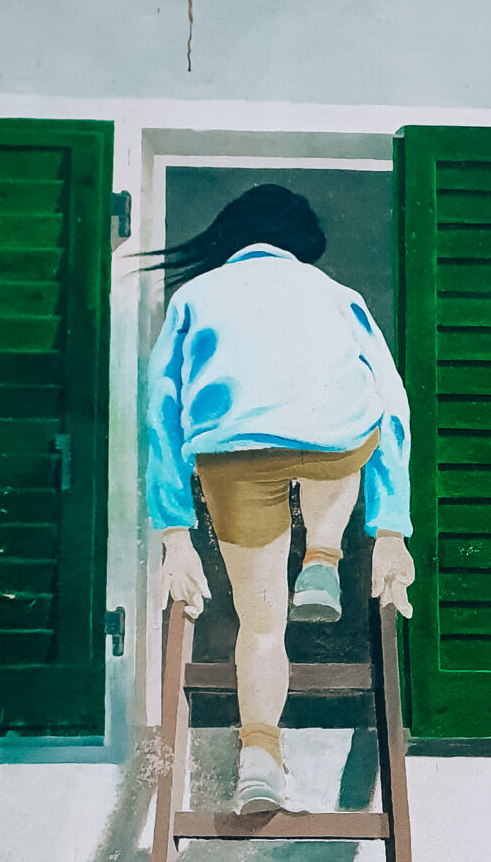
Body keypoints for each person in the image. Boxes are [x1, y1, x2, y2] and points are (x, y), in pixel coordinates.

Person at [145, 184, 415, 815]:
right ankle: (322, 558)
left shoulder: (194, 295)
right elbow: (392, 405)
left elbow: (160, 414)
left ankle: (259, 760)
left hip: (233, 459)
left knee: (261, 625)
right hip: (332, 451)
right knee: (351, 428)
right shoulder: (340, 296)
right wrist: (390, 529)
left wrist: (174, 532)